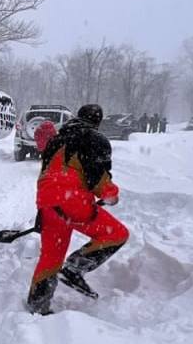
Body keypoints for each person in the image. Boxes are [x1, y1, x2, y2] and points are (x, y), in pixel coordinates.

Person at [27, 103, 129, 315]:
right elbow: (97, 178)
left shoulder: (56, 139)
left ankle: (37, 306)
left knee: (51, 257)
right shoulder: (95, 139)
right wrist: (111, 195)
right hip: (73, 202)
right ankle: (74, 269)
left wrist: (44, 212)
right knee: (117, 234)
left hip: (47, 203)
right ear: (97, 121)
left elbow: (48, 174)